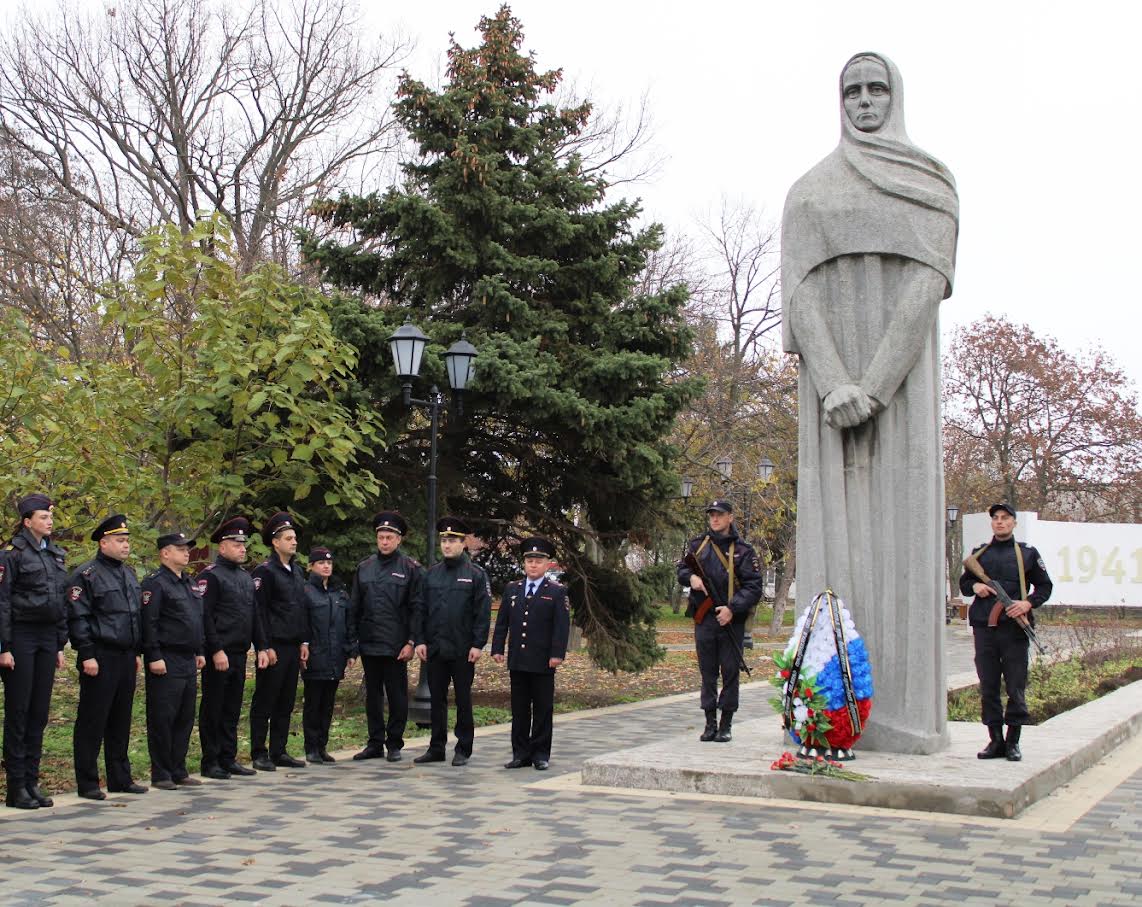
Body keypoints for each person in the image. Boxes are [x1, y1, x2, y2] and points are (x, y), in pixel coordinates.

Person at [781, 52, 960, 752]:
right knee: (838, 542)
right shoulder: (808, 192)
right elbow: (796, 294)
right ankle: (829, 716)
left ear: (896, 95)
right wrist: (832, 382)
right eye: (851, 90)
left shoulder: (930, 182)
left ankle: (905, 717)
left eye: (875, 88)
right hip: (830, 401)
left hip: (901, 393)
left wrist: (875, 385)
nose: (863, 101)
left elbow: (926, 283)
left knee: (902, 534)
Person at [959, 503, 1053, 762]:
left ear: (1014, 523)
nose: (1000, 522)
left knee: (1015, 685)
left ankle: (1013, 741)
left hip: (1014, 630)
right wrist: (976, 585)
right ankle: (995, 740)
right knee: (988, 685)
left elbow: (1045, 587)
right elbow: (964, 583)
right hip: (985, 629)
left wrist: (1027, 604)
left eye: (1005, 518)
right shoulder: (980, 554)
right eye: (996, 518)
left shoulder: (1027, 554)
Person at [67, 513, 146, 799]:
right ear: (103, 543)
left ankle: (120, 777)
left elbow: (134, 616)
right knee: (93, 720)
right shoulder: (86, 575)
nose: (126, 545)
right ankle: (88, 782)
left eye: (127, 540)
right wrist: (87, 654)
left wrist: (137, 651)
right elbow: (78, 618)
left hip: (125, 655)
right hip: (100, 655)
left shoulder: (128, 573)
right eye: (120, 540)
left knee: (120, 719)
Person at [0, 493, 69, 809]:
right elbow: (2, 602)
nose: (49, 521)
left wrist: (58, 643)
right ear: (27, 521)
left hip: (45, 637)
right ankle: (16, 787)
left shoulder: (55, 554)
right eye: (43, 516)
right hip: (21, 636)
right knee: (19, 711)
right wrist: (5, 646)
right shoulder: (11, 554)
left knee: (39, 712)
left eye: (50, 516)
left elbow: (60, 602)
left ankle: (32, 780)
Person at [676, 499, 764, 744]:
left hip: (730, 621)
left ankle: (726, 724)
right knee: (707, 672)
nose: (714, 519)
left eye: (719, 515)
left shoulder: (744, 551)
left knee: (729, 672)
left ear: (730, 518)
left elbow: (754, 587)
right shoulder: (698, 545)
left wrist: (732, 609)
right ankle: (709, 722)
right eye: (712, 514)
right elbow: (682, 570)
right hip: (704, 618)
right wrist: (691, 577)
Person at [413, 517, 491, 767]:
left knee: (463, 700)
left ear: (463, 543)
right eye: (444, 540)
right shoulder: (431, 574)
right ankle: (436, 747)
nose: (447, 545)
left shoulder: (475, 575)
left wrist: (478, 644)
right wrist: (421, 640)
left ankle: (463, 747)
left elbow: (482, 613)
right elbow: (421, 610)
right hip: (435, 648)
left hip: (462, 649)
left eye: (452, 541)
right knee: (436, 699)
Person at [197, 516, 269, 780]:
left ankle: (228, 757)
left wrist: (262, 646)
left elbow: (255, 615)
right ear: (223, 546)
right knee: (213, 707)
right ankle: (211, 760)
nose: (242, 548)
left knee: (232, 709)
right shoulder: (210, 576)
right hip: (219, 653)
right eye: (236, 544)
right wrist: (215, 650)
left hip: (239, 653)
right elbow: (205, 617)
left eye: (244, 544)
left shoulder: (245, 577)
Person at [349, 511, 422, 763]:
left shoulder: (410, 568)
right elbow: (355, 608)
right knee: (373, 696)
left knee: (397, 695)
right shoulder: (365, 568)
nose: (385, 541)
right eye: (381, 536)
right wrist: (353, 643)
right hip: (370, 643)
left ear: (399, 539)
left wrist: (411, 641)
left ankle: (394, 743)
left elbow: (417, 608)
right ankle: (374, 742)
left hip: (396, 645)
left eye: (389, 537)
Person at [492, 536, 569, 771]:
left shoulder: (556, 592)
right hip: (518, 659)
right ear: (524, 564)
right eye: (529, 561)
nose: (533, 565)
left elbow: (561, 626)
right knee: (519, 709)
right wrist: (497, 648)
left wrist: (557, 654)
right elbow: (502, 621)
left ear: (547, 564)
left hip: (543, 660)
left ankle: (540, 754)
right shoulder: (512, 589)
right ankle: (521, 753)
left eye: (538, 561)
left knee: (543, 709)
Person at [141, 531, 206, 790]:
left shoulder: (188, 583)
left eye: (187, 548)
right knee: (163, 716)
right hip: (165, 657)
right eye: (180, 548)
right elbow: (149, 622)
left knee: (184, 716)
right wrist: (153, 655)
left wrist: (200, 650)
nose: (186, 552)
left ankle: (179, 768)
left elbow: (195, 620)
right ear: (165, 553)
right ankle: (161, 772)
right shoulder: (155, 583)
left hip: (187, 658)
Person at [249, 511, 309, 771]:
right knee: (266, 699)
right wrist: (264, 646)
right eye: (288, 538)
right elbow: (259, 611)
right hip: (273, 645)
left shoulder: (296, 571)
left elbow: (301, 608)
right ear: (275, 542)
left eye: (295, 538)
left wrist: (304, 641)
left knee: (285, 701)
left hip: (292, 645)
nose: (294, 542)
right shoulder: (265, 571)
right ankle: (259, 751)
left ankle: (279, 750)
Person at [301, 547, 354, 764]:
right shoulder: (305, 591)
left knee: (328, 703)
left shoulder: (339, 592)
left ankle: (322, 745)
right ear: (311, 566)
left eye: (329, 563)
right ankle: (311, 747)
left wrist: (351, 650)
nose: (326, 566)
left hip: (335, 655)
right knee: (314, 702)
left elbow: (348, 624)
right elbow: (302, 623)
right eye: (321, 563)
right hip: (315, 654)